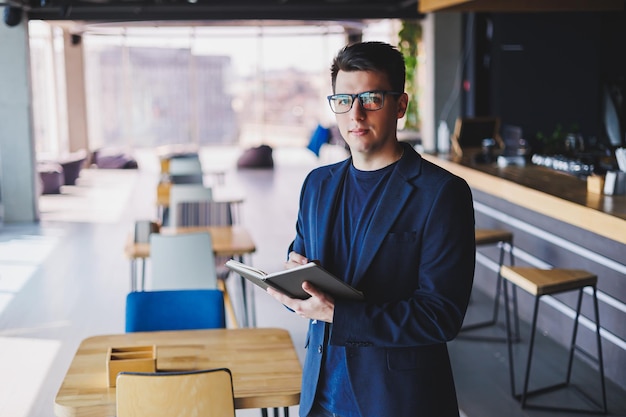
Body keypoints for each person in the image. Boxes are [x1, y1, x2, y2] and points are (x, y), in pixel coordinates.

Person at [267, 41, 476, 417]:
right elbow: (301, 254)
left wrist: (339, 314)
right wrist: (293, 278)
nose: (356, 114)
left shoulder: (441, 193)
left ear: (400, 105)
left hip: (397, 400)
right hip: (321, 395)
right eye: (344, 100)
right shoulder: (317, 184)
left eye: (372, 98)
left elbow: (440, 314)